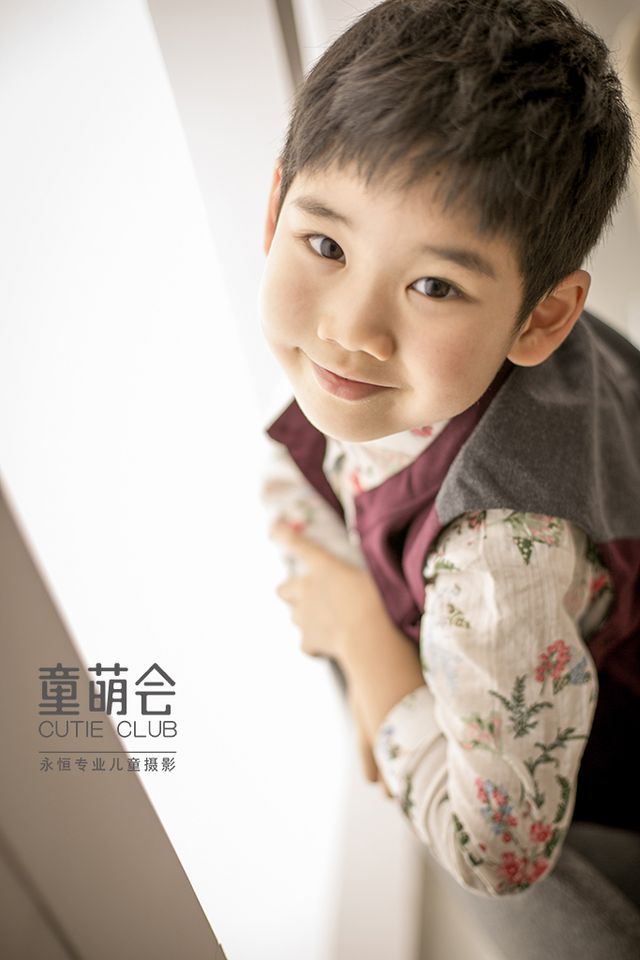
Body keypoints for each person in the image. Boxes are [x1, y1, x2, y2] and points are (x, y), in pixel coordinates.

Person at [258, 0, 640, 953]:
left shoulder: (503, 556)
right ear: (275, 210)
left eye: (433, 286)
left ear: (542, 319)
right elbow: (296, 477)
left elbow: (497, 850)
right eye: (327, 245)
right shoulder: (397, 384)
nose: (352, 328)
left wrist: (366, 646)